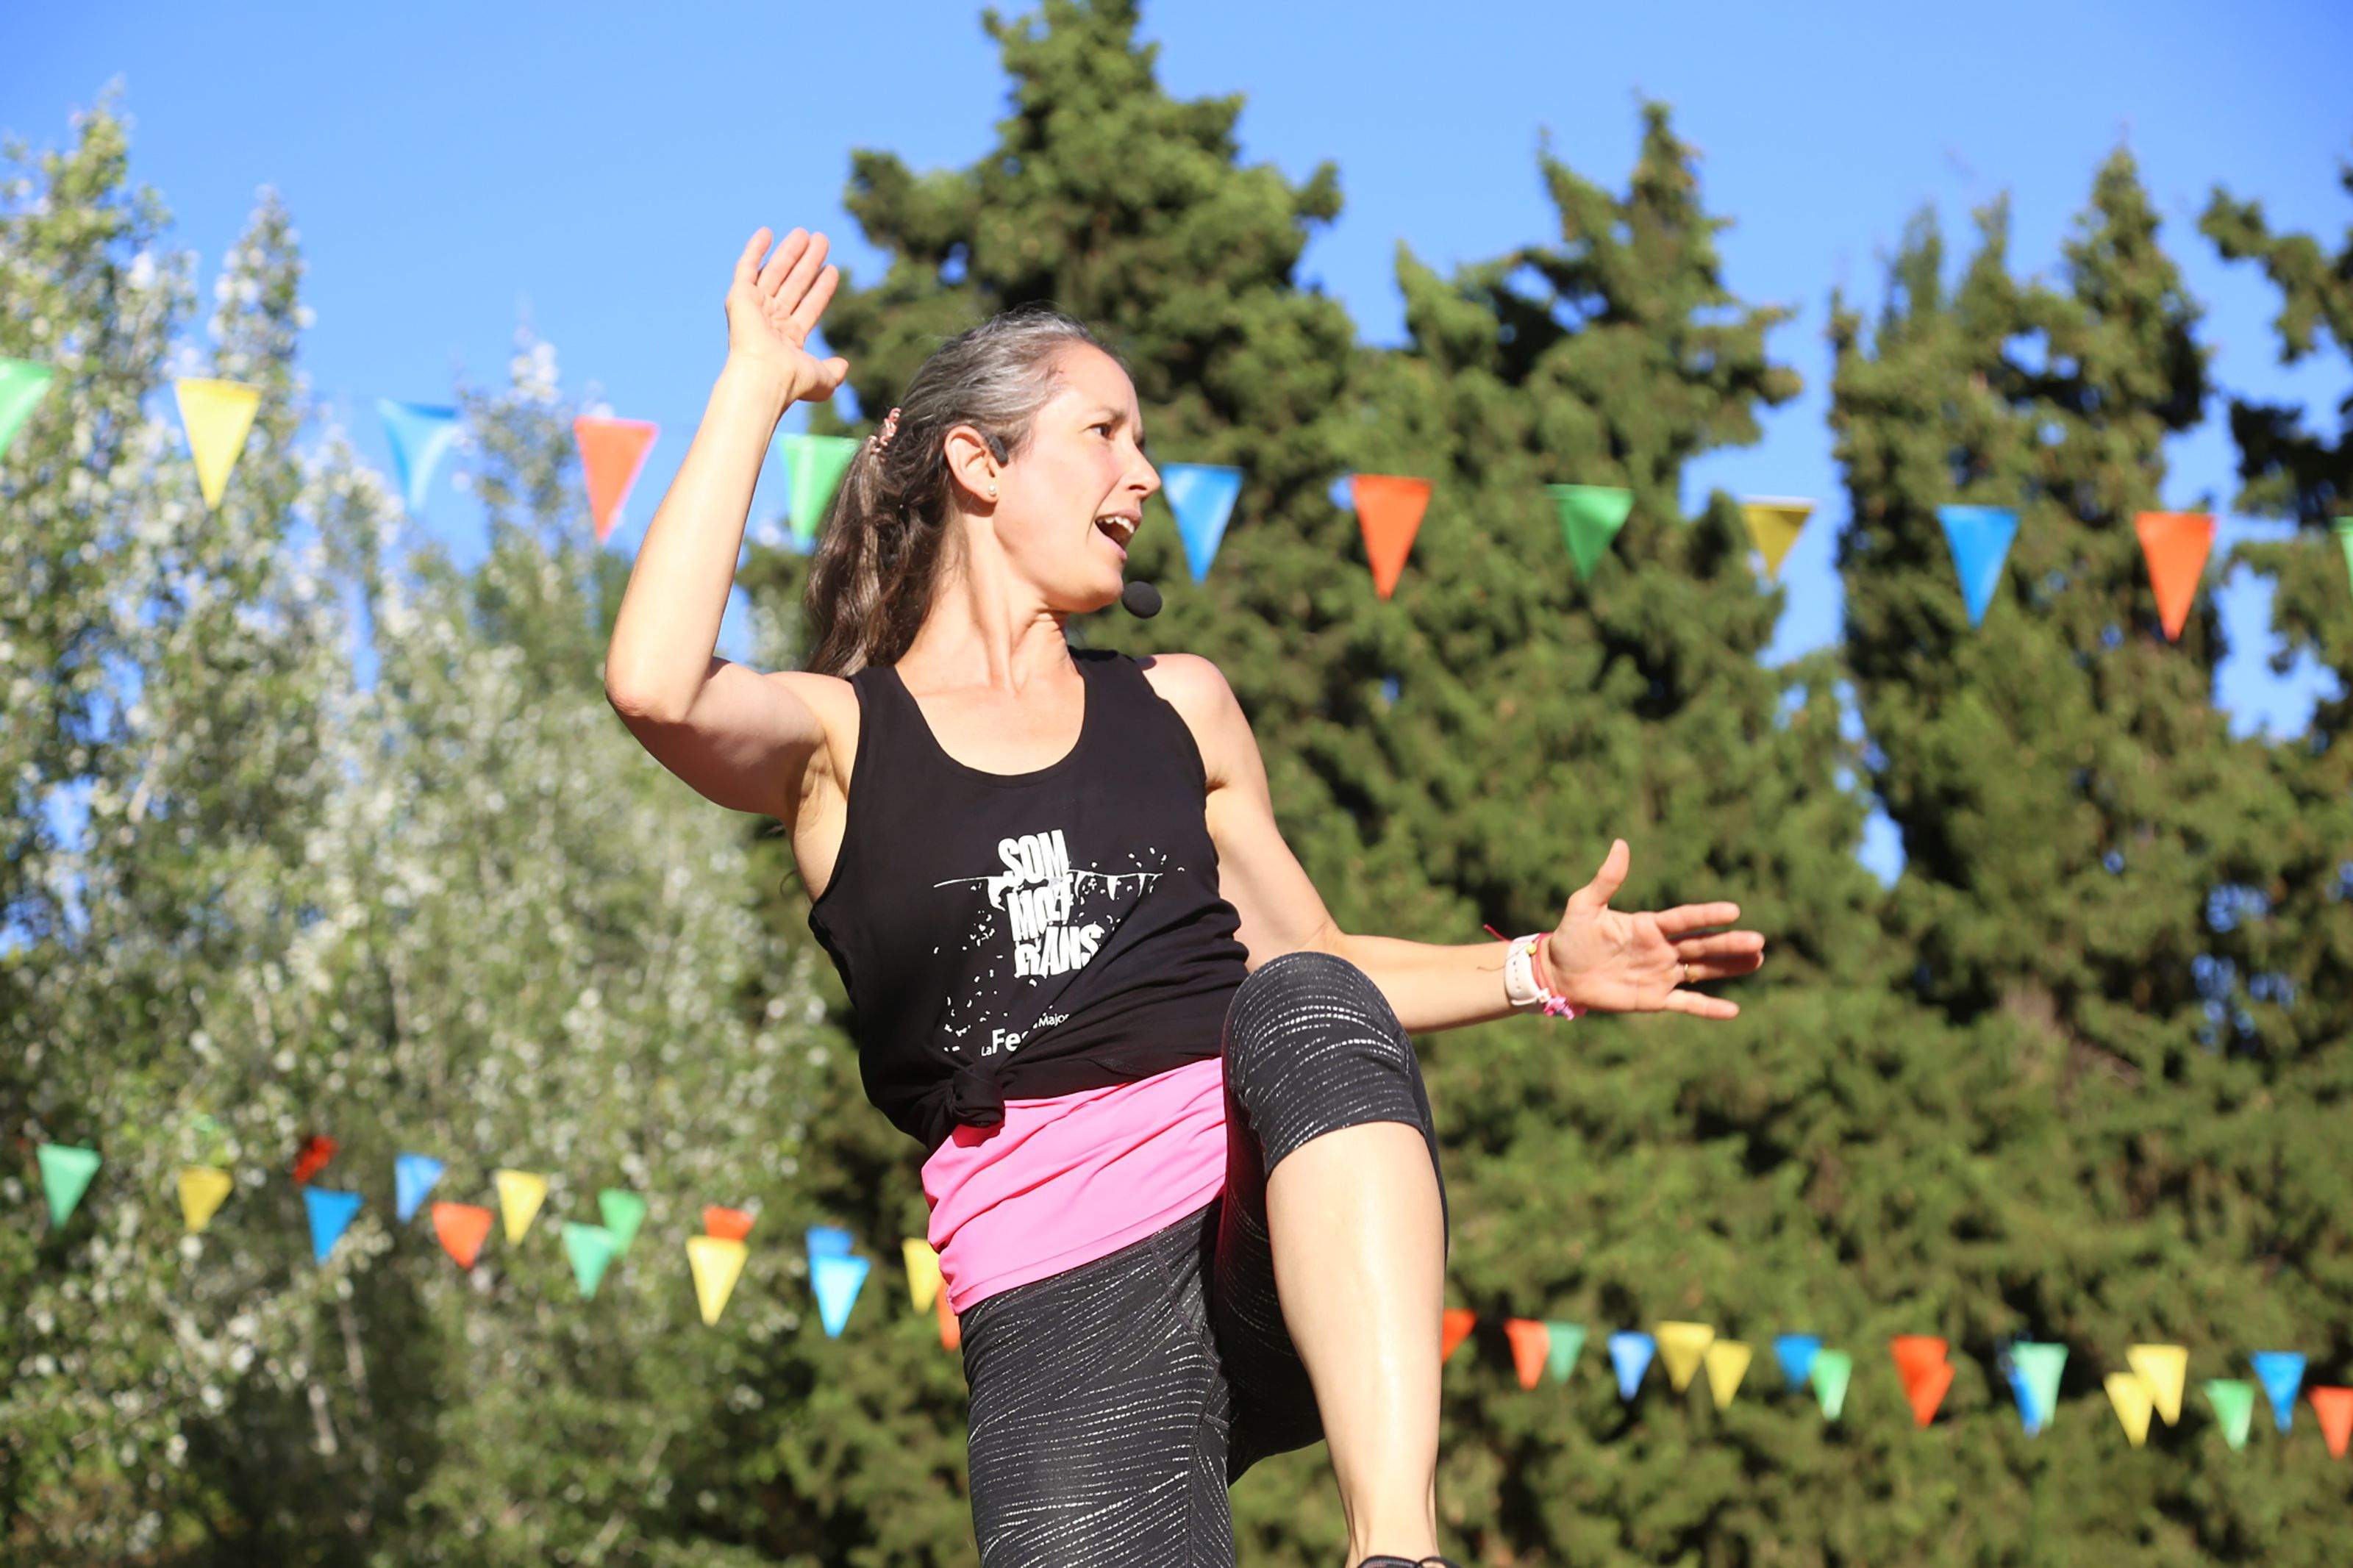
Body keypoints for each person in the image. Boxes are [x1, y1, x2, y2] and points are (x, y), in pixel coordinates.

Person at [603, 226, 1766, 1568]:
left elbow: (1321, 959)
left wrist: (1539, 970)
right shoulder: (841, 740)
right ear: (979, 465)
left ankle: (1397, 1546)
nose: (1144, 473)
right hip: (1057, 1304)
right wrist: (753, 384)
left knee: (1306, 998)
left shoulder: (1179, 705)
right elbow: (655, 683)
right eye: (1104, 432)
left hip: (1254, 1230)